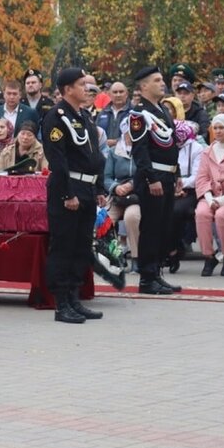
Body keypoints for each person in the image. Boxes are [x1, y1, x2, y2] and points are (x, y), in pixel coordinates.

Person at [40, 67, 106, 324]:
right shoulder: (56, 117)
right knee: (64, 246)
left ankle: (75, 298)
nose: (87, 89)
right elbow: (57, 158)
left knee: (81, 246)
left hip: (88, 189)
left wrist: (99, 187)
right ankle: (61, 303)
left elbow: (94, 156)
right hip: (68, 189)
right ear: (67, 89)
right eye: (81, 84)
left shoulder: (85, 116)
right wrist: (68, 193)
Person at [128, 66, 183, 295]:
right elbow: (140, 152)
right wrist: (151, 179)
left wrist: (176, 173)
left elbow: (170, 145)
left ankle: (157, 272)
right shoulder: (140, 114)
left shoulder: (161, 110)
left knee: (163, 226)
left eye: (162, 80)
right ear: (143, 87)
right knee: (150, 227)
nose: (163, 83)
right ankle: (147, 278)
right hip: (153, 177)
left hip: (166, 175)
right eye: (157, 80)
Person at [194, 114, 224, 276]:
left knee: (222, 215)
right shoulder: (207, 151)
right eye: (215, 128)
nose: (218, 131)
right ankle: (209, 256)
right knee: (201, 213)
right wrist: (209, 199)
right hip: (210, 195)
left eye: (221, 127)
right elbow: (201, 178)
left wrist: (223, 199)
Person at [167, 120, 204, 273]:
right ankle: (165, 249)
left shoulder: (197, 148)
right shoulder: (166, 147)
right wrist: (172, 187)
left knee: (175, 211)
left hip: (190, 189)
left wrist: (180, 185)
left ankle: (174, 249)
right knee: (157, 209)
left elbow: (197, 176)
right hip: (169, 187)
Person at [104, 117, 141, 268]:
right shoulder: (114, 152)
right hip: (117, 195)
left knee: (131, 217)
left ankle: (136, 257)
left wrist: (132, 184)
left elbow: (147, 174)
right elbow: (106, 177)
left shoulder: (143, 151)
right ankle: (116, 254)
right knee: (104, 220)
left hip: (136, 196)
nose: (130, 135)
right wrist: (115, 187)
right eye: (128, 131)